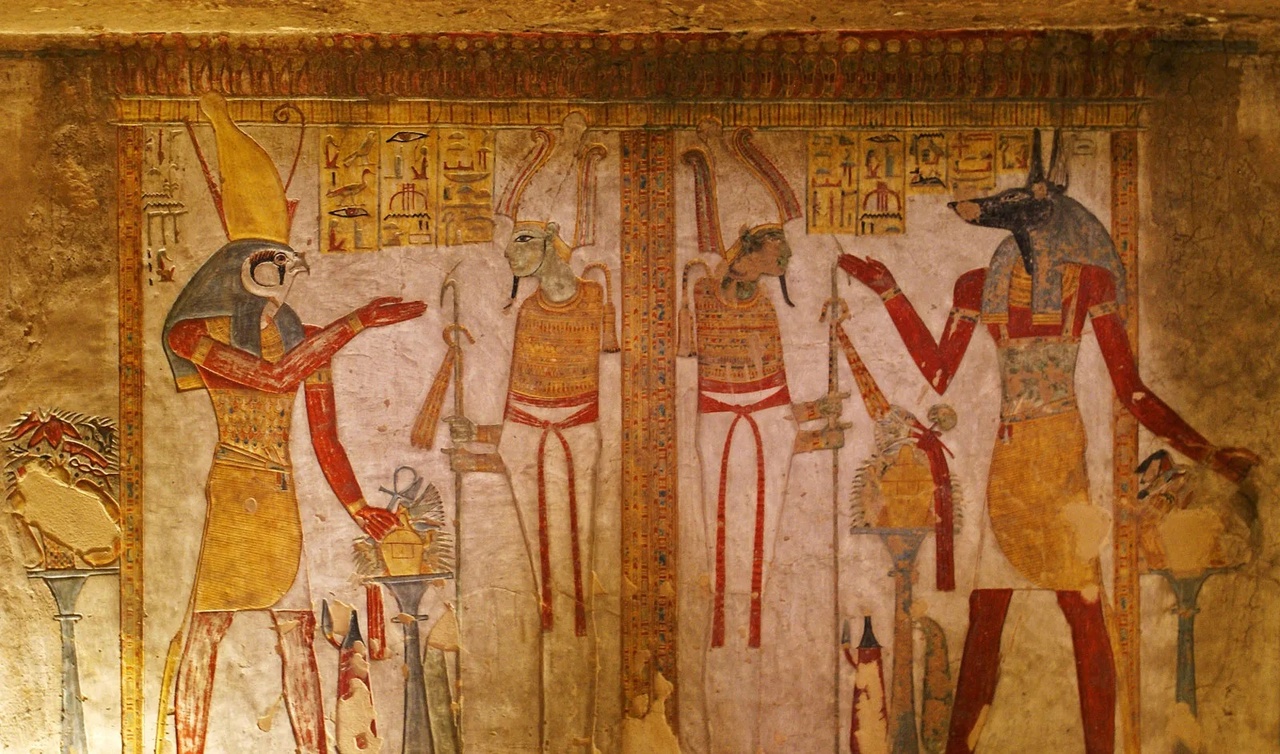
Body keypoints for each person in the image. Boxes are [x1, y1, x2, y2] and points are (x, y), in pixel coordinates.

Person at [837, 130, 1257, 754]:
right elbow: (938, 372)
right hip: (1010, 464)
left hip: (1060, 459)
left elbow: (1131, 391)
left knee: (1083, 609)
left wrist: (1208, 454)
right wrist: (889, 291)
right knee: (987, 612)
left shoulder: (1089, 284)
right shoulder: (978, 285)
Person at [160, 93, 426, 753]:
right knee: (209, 626)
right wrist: (355, 322)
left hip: (279, 495)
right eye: (270, 264)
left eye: (287, 266)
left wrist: (360, 507)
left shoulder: (305, 337)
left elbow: (324, 435)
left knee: (296, 631)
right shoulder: (195, 332)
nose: (283, 279)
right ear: (238, 267)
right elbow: (274, 378)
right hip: (234, 487)